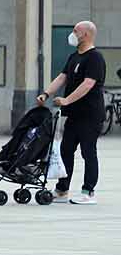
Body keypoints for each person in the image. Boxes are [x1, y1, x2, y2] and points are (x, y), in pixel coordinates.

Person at [40, 20, 106, 204]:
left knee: (88, 152)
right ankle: (62, 190)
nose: (72, 34)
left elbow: (88, 84)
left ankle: (88, 192)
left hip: (90, 115)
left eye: (75, 31)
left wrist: (67, 100)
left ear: (85, 34)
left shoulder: (95, 58)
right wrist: (46, 93)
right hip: (74, 115)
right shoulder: (74, 56)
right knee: (65, 151)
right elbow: (62, 77)